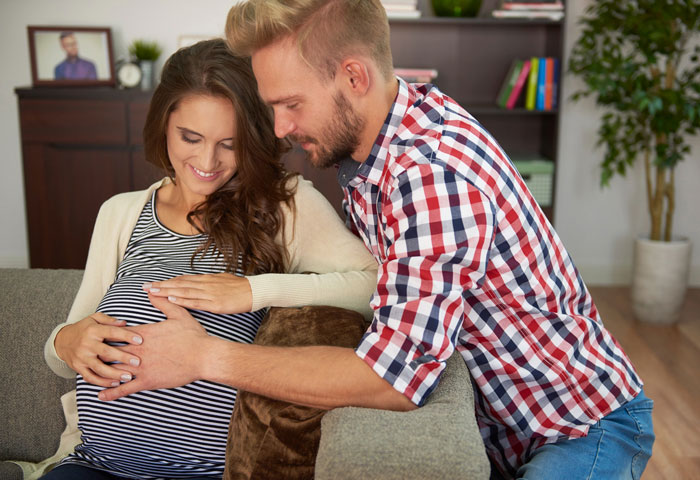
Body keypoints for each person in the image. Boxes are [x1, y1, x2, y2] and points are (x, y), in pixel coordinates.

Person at [98, 2, 654, 480]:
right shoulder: (379, 142)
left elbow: (393, 379)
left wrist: (207, 357)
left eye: (291, 104)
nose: (279, 127)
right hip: (500, 426)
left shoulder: (432, 176)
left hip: (576, 425)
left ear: (354, 77)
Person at [41, 38, 377, 479]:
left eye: (228, 144)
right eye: (190, 137)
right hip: (98, 466)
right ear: (164, 126)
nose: (206, 160)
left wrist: (253, 290)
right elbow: (63, 354)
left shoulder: (284, 203)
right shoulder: (121, 212)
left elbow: (373, 284)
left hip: (211, 472)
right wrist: (67, 341)